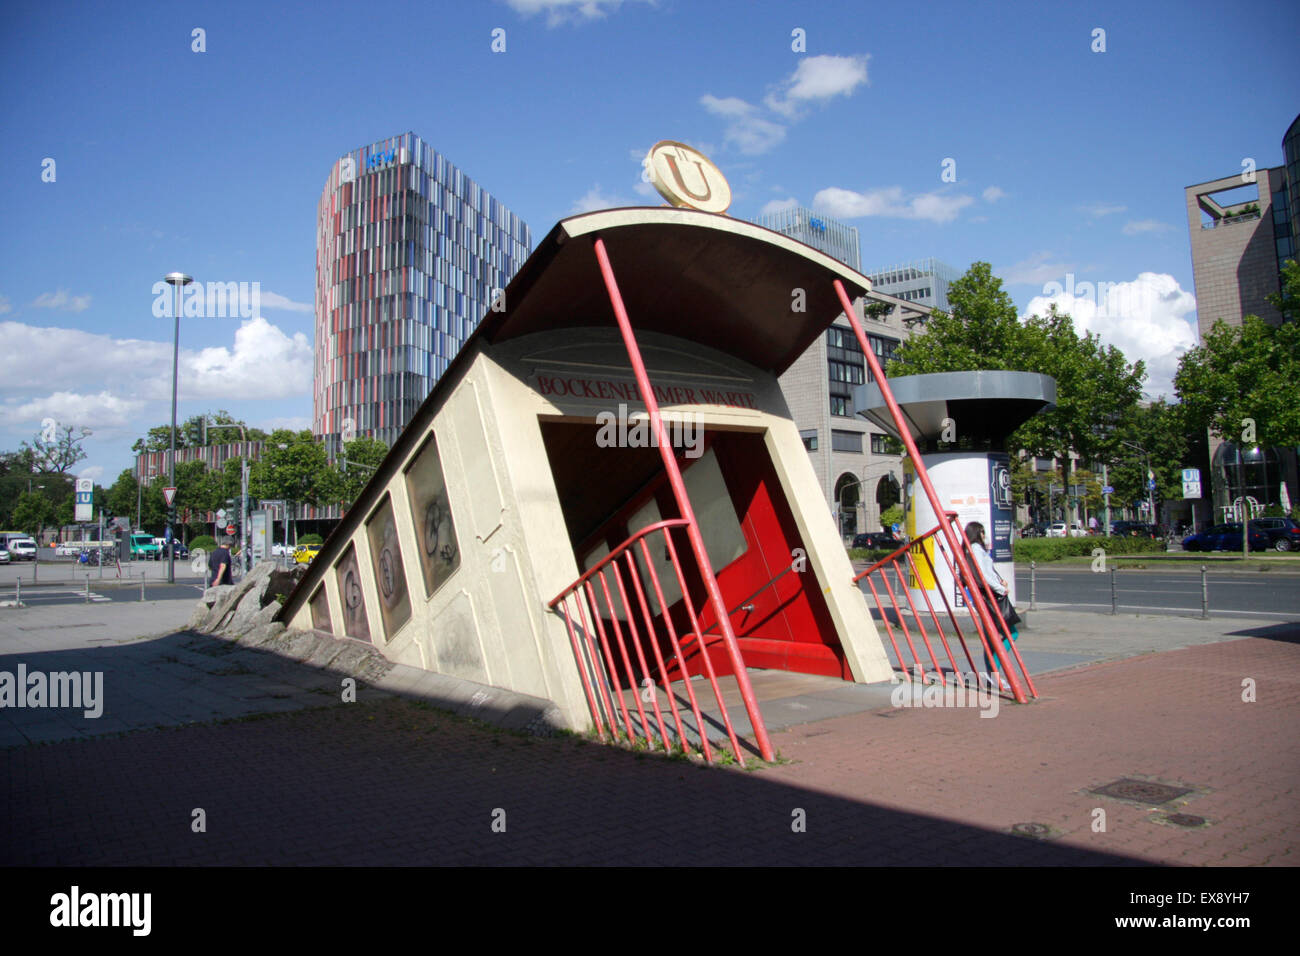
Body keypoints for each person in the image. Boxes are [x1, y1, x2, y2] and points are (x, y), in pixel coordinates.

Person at [963, 521, 1019, 691]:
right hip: (992, 597)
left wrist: (998, 580)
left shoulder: (968, 550)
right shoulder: (976, 550)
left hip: (983, 597)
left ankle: (993, 675)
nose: (984, 535)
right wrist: (1001, 588)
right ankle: (994, 672)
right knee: (1011, 634)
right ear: (978, 533)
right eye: (983, 532)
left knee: (990, 639)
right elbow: (985, 575)